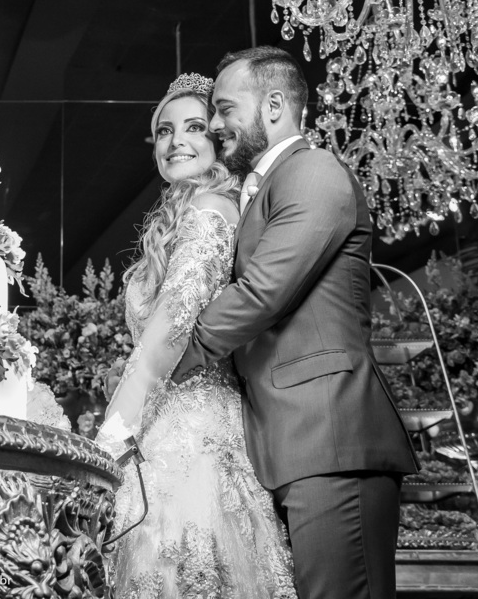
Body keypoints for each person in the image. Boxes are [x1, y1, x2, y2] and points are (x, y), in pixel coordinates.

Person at [171, 46, 418, 599]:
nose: (215, 125)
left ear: (276, 104)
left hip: (330, 439)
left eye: (226, 109)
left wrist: (168, 362)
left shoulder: (313, 171)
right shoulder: (259, 187)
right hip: (287, 444)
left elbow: (262, 293)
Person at [97, 73, 296, 599]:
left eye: (193, 127)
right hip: (173, 416)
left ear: (218, 140)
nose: (175, 141)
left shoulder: (209, 213)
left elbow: (167, 336)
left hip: (191, 435)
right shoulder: (184, 214)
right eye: (164, 131)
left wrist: (108, 440)